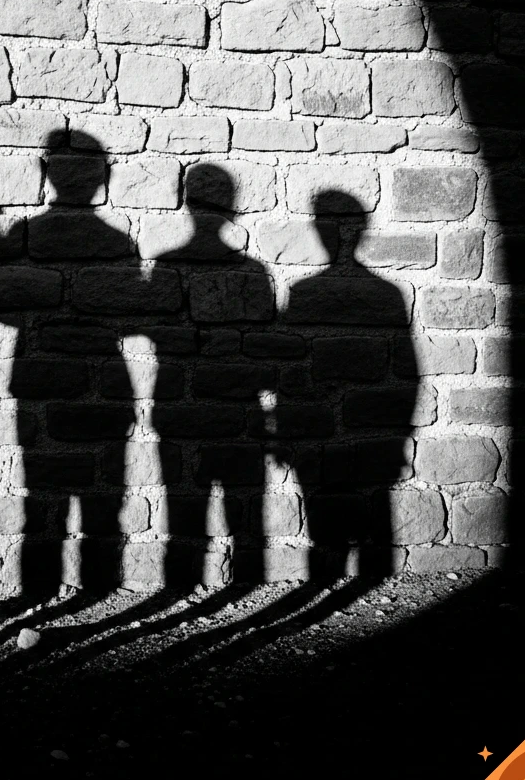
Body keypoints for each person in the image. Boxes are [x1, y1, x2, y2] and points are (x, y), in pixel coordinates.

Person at [0, 129, 139, 601]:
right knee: (105, 495)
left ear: (45, 174)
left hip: (37, 375)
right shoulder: (119, 243)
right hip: (104, 377)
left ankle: (37, 590)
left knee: (41, 494)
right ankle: (98, 585)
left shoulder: (24, 235)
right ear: (103, 178)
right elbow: (131, 316)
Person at [278, 190, 418, 587]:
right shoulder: (386, 292)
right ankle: (361, 581)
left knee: (328, 516)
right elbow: (409, 371)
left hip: (323, 424)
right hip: (361, 424)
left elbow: (287, 371)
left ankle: (324, 587)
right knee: (372, 511)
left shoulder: (304, 292)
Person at [148, 163, 275, 589]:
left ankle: (178, 586)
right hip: (242, 408)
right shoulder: (253, 271)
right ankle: (247, 585)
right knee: (246, 510)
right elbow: (265, 347)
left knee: (182, 506)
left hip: (175, 404)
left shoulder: (166, 264)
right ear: (232, 209)